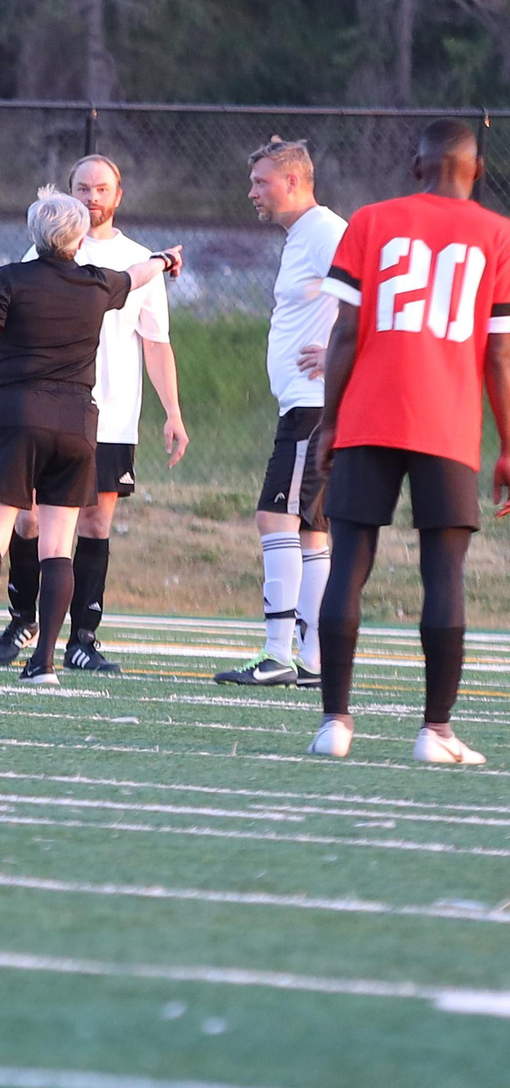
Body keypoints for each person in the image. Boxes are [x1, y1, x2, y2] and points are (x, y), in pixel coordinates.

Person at [307, 119, 510, 763]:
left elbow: (344, 332)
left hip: (369, 414)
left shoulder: (370, 219)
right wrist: (508, 445)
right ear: (477, 170)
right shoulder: (499, 235)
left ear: (415, 164)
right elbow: (500, 356)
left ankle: (335, 723)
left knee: (348, 565)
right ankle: (436, 732)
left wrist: (330, 421)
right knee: (443, 573)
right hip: (447, 425)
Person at [0, 188, 178, 684]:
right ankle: (44, 663)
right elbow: (140, 273)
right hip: (79, 424)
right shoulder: (97, 284)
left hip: (20, 414)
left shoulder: (11, 279)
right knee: (58, 546)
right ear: (79, 239)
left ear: (34, 235)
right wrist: (165, 259)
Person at [0, 155, 190, 675]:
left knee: (95, 523)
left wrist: (173, 413)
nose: (92, 197)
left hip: (111, 416)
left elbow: (157, 343)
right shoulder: (41, 254)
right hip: (50, 409)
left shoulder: (139, 260)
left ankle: (83, 637)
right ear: (68, 195)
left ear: (118, 195)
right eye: (82, 188)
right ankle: (22, 618)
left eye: (101, 188)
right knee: (29, 518)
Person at [215, 137, 345, 687]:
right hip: (305, 405)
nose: (253, 193)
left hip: (311, 409)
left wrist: (342, 348)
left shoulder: (325, 230)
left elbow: (376, 291)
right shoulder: (302, 236)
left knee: (276, 518)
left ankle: (277, 654)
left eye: (262, 182)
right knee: (311, 532)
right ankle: (315, 660)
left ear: (293, 182)